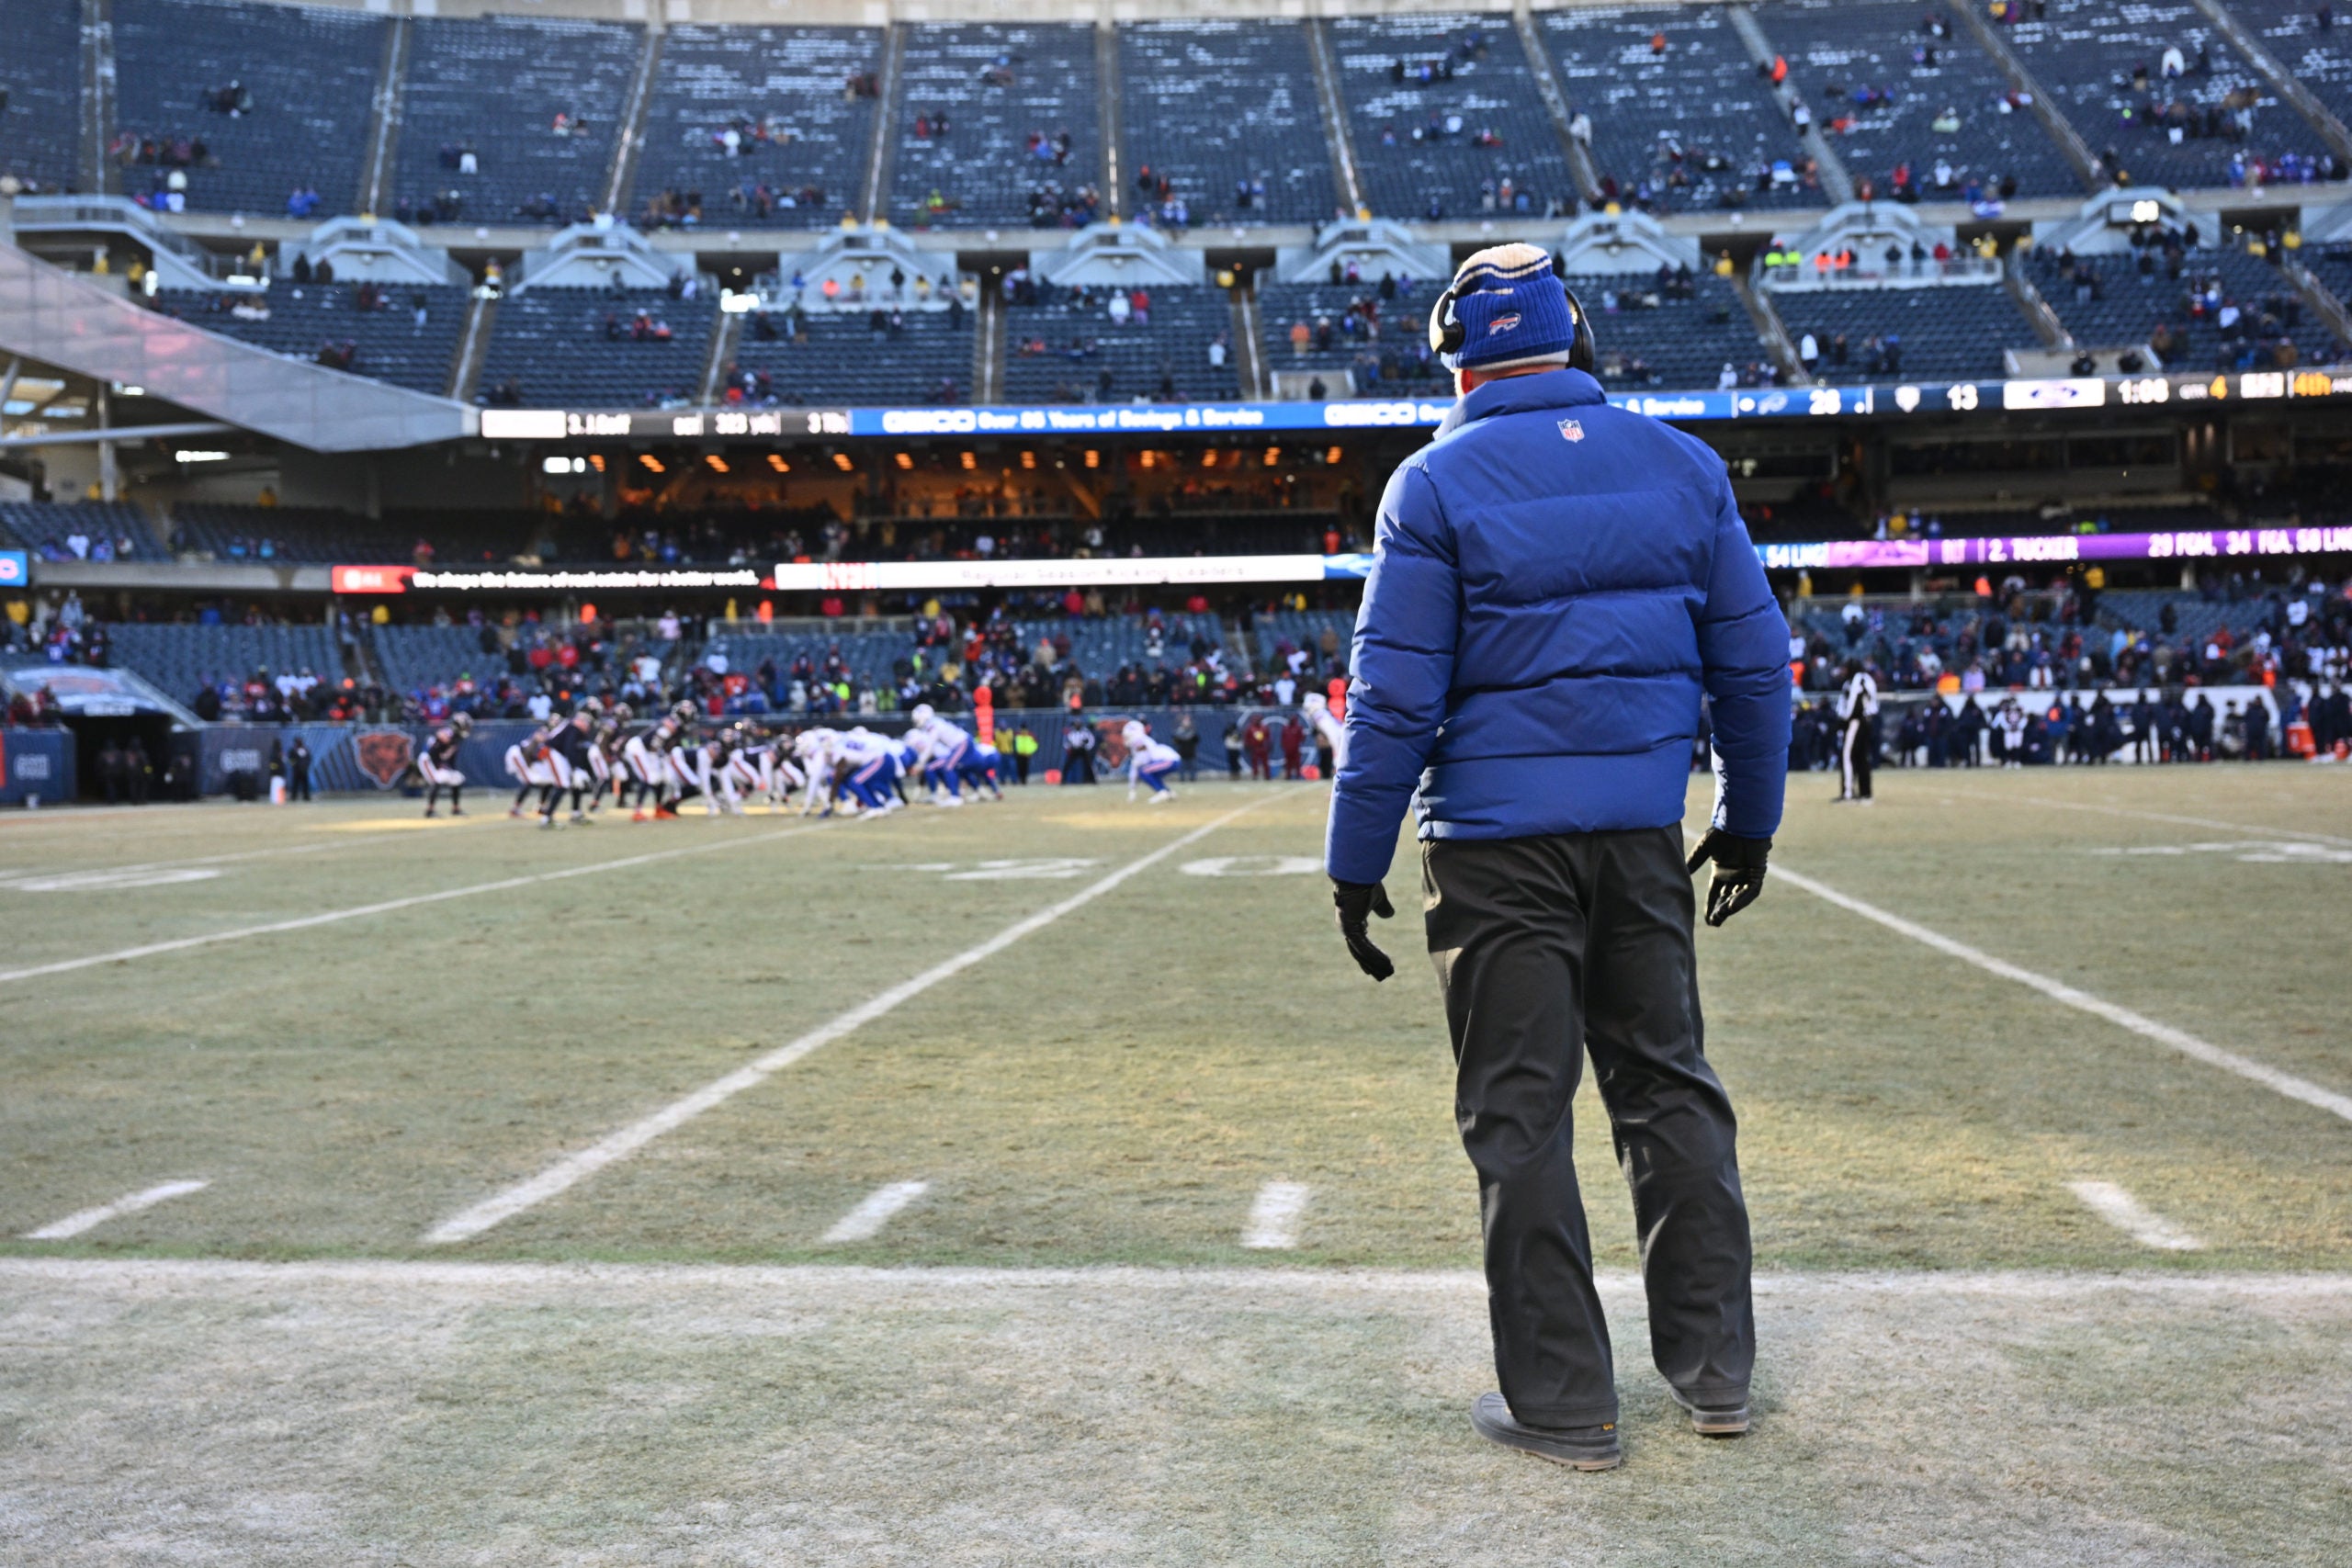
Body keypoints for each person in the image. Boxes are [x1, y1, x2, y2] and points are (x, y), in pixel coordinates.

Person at [1324, 243, 1791, 1472]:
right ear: (1576, 332)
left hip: (1491, 850)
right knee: (1669, 1090)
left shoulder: (1433, 484)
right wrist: (1747, 821)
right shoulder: (1684, 467)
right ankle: (1718, 1373)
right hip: (1640, 836)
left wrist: (1353, 853)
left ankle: (1568, 1401)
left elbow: (1392, 696)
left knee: (1520, 1118)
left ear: (1456, 354)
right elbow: (1756, 666)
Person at [1835, 661, 1878, 803]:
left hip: (1856, 721)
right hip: (1866, 720)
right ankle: (1865, 792)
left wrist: (1845, 718)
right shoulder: (1866, 679)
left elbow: (1853, 701)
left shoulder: (1858, 679)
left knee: (1847, 755)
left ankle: (1848, 792)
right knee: (1861, 757)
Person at [287, 735, 312, 802]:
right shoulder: (293, 750)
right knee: (295, 784)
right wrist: (295, 766)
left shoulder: (305, 749)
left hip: (304, 770)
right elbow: (291, 759)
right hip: (296, 771)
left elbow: (309, 759)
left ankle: (306, 796)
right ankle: (293, 796)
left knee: (305, 784)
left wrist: (306, 766)